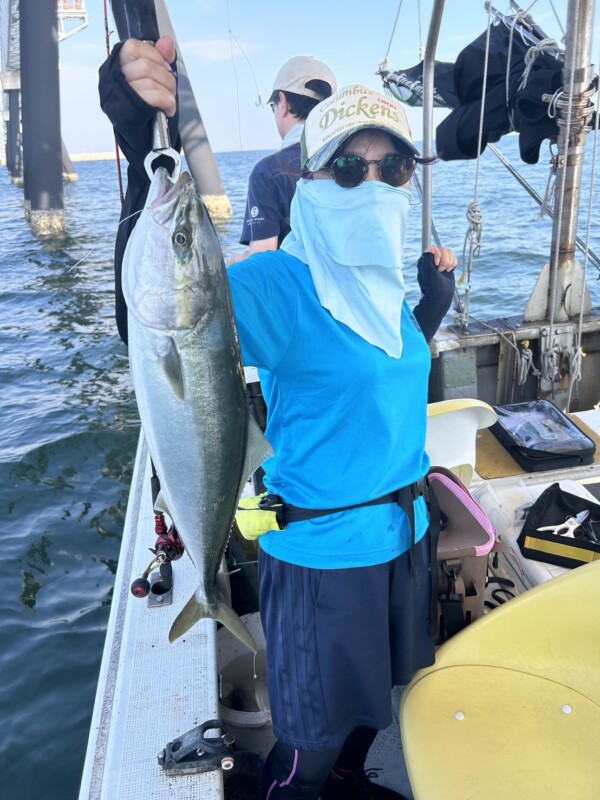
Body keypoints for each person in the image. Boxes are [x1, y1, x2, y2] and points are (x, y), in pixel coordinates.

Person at [99, 40, 458, 800]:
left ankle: (351, 782)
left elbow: (378, 384)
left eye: (391, 167)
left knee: (373, 710)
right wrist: (140, 148)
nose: (372, 183)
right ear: (310, 178)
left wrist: (429, 308)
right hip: (325, 559)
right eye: (347, 166)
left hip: (405, 541)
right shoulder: (276, 284)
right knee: (309, 744)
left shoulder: (384, 281)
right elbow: (158, 315)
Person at [229, 54, 337, 265]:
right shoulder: (352, 163)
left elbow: (262, 256)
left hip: (295, 295)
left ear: (283, 102)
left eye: (273, 106)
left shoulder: (267, 172)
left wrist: (234, 263)